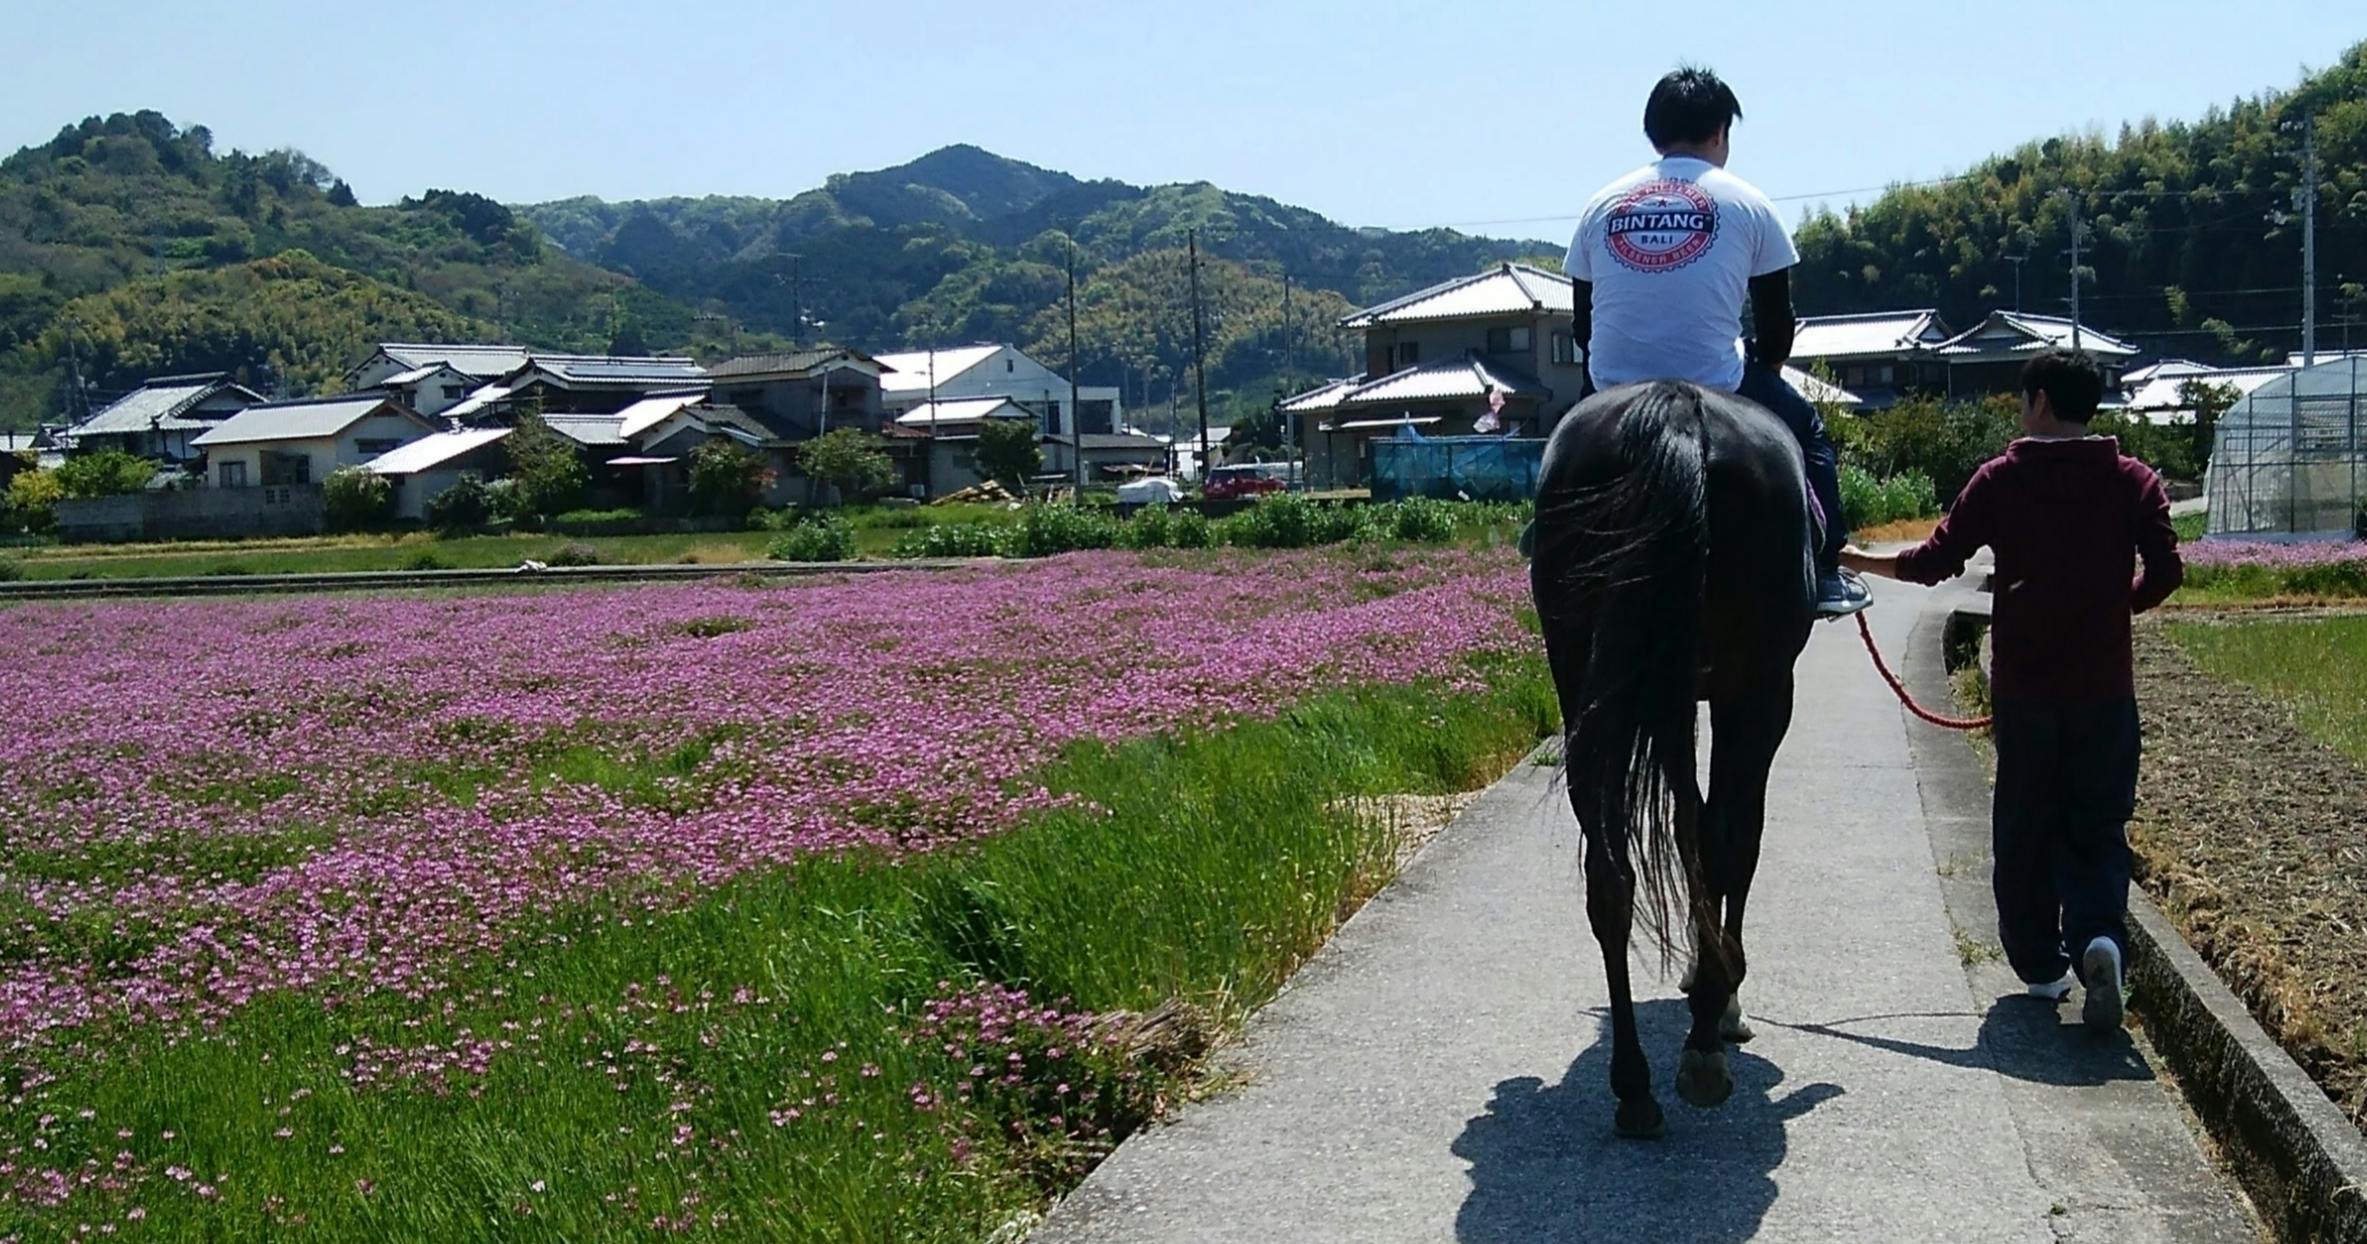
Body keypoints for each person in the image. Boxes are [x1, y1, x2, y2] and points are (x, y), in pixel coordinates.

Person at [1842, 349, 2184, 1031]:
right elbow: (2167, 571)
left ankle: (2040, 967)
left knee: (2024, 826)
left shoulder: (2001, 479)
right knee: (2096, 825)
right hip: (2103, 688)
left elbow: (1932, 562)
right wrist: (2118, 608)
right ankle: (2098, 939)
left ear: (2036, 402)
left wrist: (1847, 558)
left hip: (2026, 690)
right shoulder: (2131, 479)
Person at [1564, 65, 1869, 616]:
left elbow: (1584, 328)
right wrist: (1767, 368)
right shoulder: (1749, 203)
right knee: (1809, 432)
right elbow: (1777, 327)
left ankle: (1546, 544)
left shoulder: (1600, 206)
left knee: (1566, 451)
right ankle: (1825, 569)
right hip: (1718, 381)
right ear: (1721, 132)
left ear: (1652, 131)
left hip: (1611, 383)